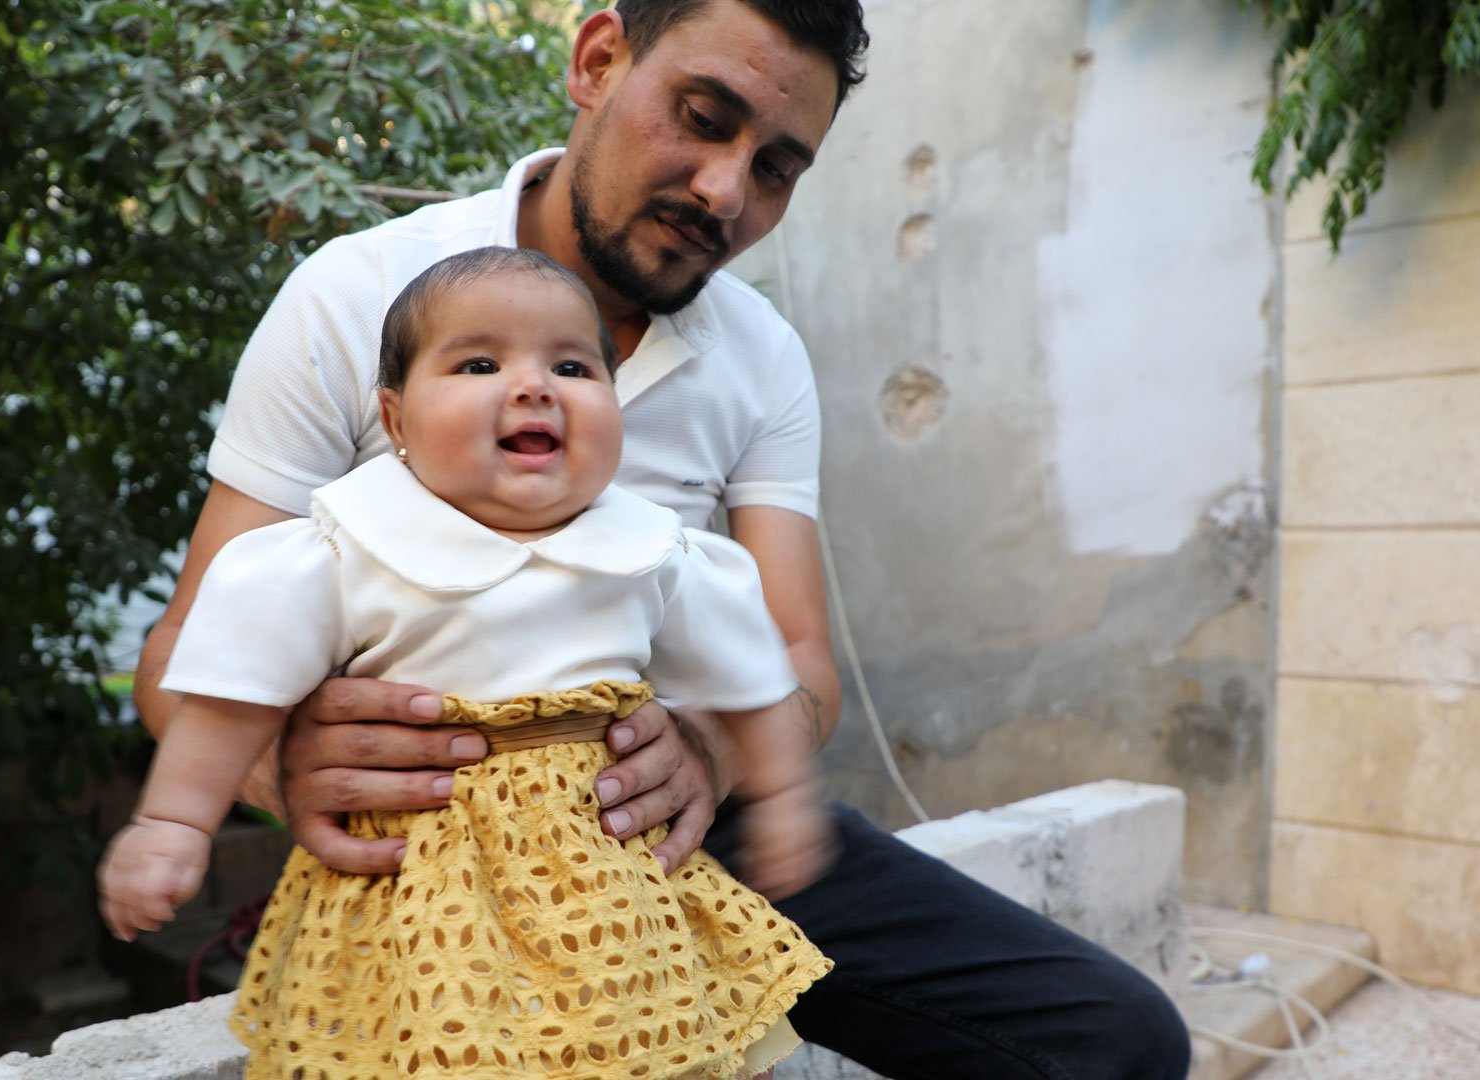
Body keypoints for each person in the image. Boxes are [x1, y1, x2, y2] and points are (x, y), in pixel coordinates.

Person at [132, 1, 1193, 1077]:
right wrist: (284, 760)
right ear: (597, 59)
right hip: (427, 836)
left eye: (777, 169)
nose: (726, 193)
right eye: (701, 116)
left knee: (1117, 1042)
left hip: (672, 816)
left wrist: (717, 753)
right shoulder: (358, 295)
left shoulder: (759, 355)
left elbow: (797, 662)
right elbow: (185, 651)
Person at [101, 247, 834, 1078]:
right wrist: (173, 822)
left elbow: (751, 681)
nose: (534, 386)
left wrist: (781, 799)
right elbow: (236, 699)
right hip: (417, 893)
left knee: (670, 1046)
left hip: (610, 884)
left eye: (572, 365)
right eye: (480, 363)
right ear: (395, 419)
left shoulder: (650, 551)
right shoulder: (344, 550)